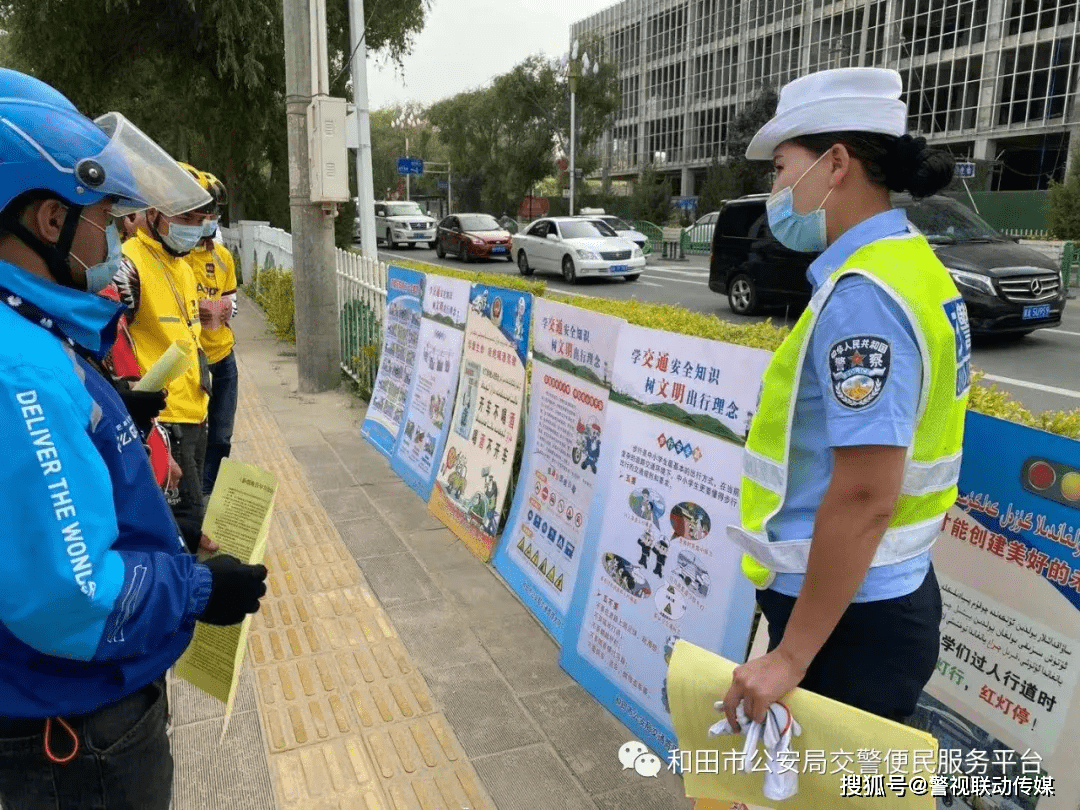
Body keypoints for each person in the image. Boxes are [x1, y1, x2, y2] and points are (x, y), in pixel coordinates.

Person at [0, 68, 267, 810]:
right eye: (108, 218)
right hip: (73, 739)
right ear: (49, 221)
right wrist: (199, 587)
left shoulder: (28, 334)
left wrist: (154, 512)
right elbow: (73, 596)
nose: (120, 236)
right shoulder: (16, 371)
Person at [720, 68, 969, 727]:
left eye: (780, 169)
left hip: (851, 620)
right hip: (870, 594)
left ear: (834, 164)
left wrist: (791, 656)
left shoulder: (865, 296)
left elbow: (865, 494)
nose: (773, 190)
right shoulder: (906, 262)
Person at [116, 163, 213, 549]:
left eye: (203, 218)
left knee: (193, 517)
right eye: (186, 216)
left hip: (194, 411)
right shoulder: (128, 265)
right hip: (161, 419)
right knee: (182, 527)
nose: (196, 226)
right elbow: (110, 354)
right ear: (153, 213)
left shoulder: (183, 266)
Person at [187, 171, 239, 496]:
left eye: (214, 212)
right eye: (204, 211)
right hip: (194, 361)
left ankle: (212, 495)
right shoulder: (179, 257)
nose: (210, 218)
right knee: (196, 436)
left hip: (224, 357)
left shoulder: (223, 257)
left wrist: (225, 309)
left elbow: (232, 302)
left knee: (222, 435)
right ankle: (195, 499)